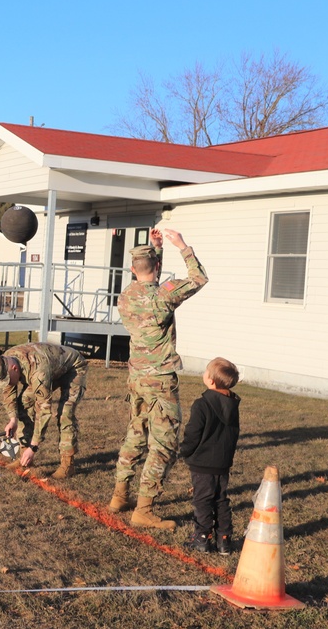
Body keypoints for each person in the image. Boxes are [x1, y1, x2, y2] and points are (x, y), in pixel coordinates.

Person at [109, 228, 208, 530]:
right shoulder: (164, 295)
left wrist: (155, 248)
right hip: (161, 380)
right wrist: (182, 246)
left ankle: (119, 495)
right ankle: (144, 508)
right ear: (156, 268)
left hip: (137, 377)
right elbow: (198, 278)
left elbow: (146, 276)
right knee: (163, 444)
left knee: (136, 433)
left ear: (131, 269)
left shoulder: (126, 296)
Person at [0, 342, 88, 479]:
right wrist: (13, 419)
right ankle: (24, 458)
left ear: (15, 368)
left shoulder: (38, 372)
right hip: (51, 368)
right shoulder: (6, 360)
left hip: (73, 368)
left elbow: (44, 409)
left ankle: (67, 465)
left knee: (65, 413)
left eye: (8, 379)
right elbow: (8, 393)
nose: (8, 383)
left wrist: (34, 447)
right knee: (24, 403)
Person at [179, 357, 241, 555]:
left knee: (203, 500)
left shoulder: (202, 404)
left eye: (206, 371)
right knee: (221, 499)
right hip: (222, 462)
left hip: (203, 463)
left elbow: (193, 432)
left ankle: (202, 538)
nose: (203, 374)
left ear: (211, 381)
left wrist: (185, 450)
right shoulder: (232, 405)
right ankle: (224, 539)